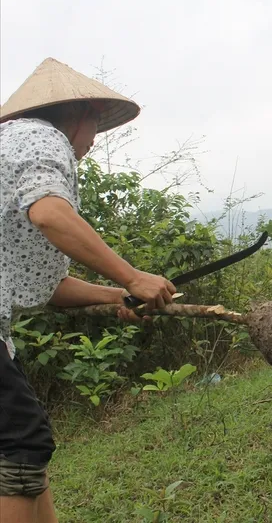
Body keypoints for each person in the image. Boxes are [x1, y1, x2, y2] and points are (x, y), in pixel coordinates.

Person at [1, 58, 177, 522]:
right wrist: (132, 277)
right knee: (22, 439)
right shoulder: (38, 138)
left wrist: (117, 296)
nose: (94, 141)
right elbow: (50, 215)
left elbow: (46, 283)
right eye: (96, 125)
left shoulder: (10, 147)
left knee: (21, 444)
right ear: (82, 114)